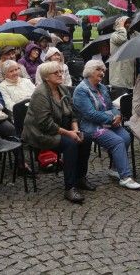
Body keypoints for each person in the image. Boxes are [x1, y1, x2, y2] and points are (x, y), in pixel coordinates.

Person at [22, 61, 92, 203]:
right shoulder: (41, 94)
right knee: (70, 144)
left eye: (61, 71)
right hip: (40, 133)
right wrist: (69, 134)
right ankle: (70, 188)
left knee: (86, 138)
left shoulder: (63, 89)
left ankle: (80, 178)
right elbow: (45, 124)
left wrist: (76, 130)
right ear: (46, 77)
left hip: (60, 128)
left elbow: (72, 113)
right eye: (56, 73)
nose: (61, 74)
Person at [73, 60, 140, 190]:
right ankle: (125, 177)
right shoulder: (81, 90)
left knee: (126, 136)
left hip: (108, 122)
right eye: (98, 69)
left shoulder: (102, 87)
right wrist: (111, 118)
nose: (102, 73)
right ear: (89, 71)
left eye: (103, 70)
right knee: (117, 141)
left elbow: (110, 106)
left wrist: (118, 115)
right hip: (90, 126)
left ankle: (115, 168)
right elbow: (90, 114)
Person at [109, 16, 134, 93]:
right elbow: (122, 39)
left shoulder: (132, 35)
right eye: (126, 23)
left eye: (129, 23)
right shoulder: (115, 35)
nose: (128, 25)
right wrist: (121, 28)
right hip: (118, 78)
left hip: (129, 76)